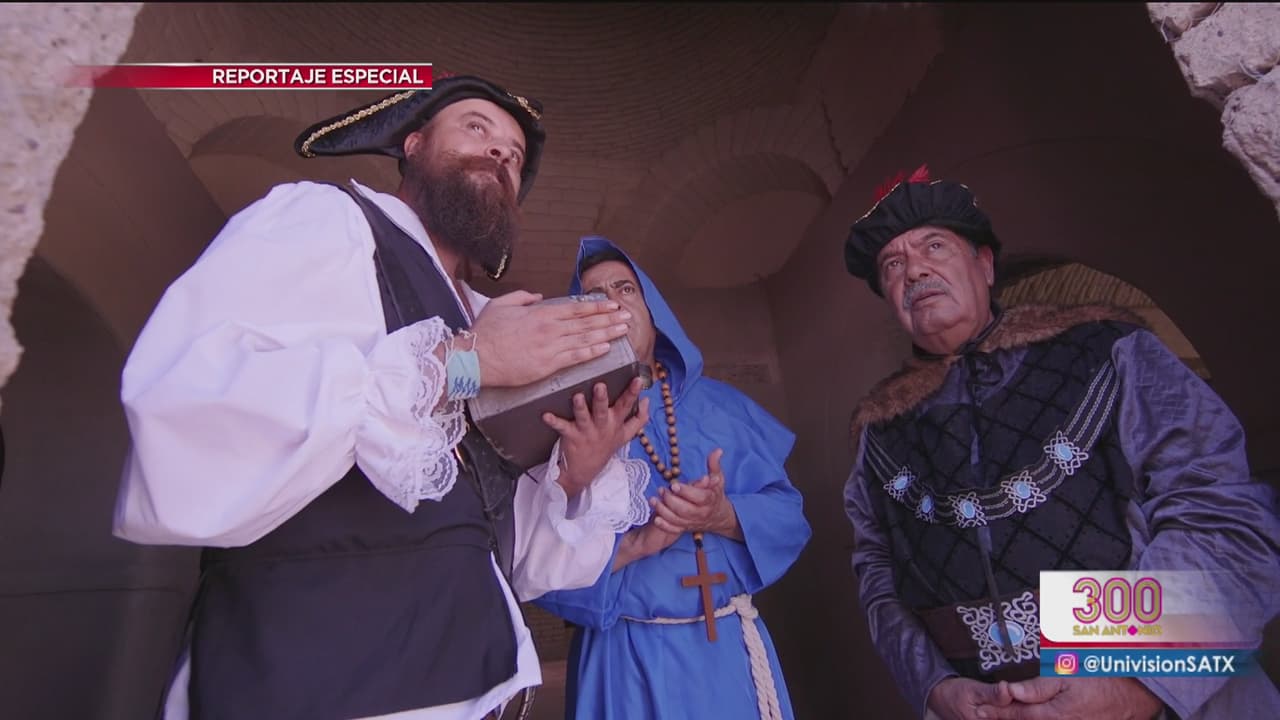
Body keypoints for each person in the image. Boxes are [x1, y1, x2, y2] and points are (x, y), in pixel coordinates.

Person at [112, 75, 656, 720]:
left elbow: (518, 561)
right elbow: (189, 403)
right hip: (314, 680)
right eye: (476, 128)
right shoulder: (327, 220)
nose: (499, 154)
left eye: (513, 156)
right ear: (413, 142)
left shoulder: (484, 311)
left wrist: (575, 475)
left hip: (467, 683)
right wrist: (465, 362)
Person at [840, 165, 1280, 720]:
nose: (915, 270)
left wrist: (1136, 685)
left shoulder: (1110, 353)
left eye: (934, 246)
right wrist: (936, 689)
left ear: (984, 264)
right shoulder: (881, 433)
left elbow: (1225, 521)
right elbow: (879, 576)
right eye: (892, 264)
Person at [533, 236, 812, 720]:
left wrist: (724, 515)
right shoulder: (561, 422)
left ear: (652, 309)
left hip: (725, 652)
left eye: (625, 289)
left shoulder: (723, 406)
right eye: (594, 296)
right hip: (621, 660)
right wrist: (632, 547)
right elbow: (536, 565)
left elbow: (790, 517)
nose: (612, 302)